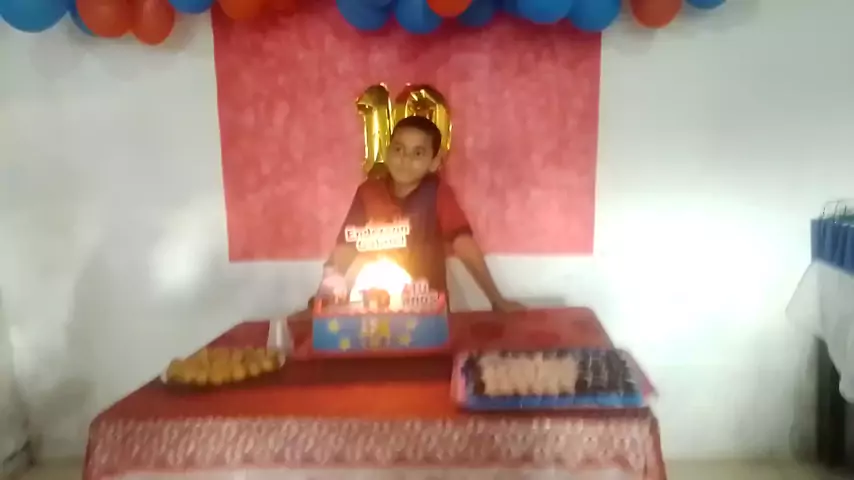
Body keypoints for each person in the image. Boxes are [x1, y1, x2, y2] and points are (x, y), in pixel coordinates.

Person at [322, 115, 524, 313]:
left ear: (434, 162)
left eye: (417, 153)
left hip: (428, 308)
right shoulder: (368, 192)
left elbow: (463, 243)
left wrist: (496, 299)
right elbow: (345, 248)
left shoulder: (437, 192)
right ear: (387, 151)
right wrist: (323, 298)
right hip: (378, 309)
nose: (405, 159)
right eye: (398, 149)